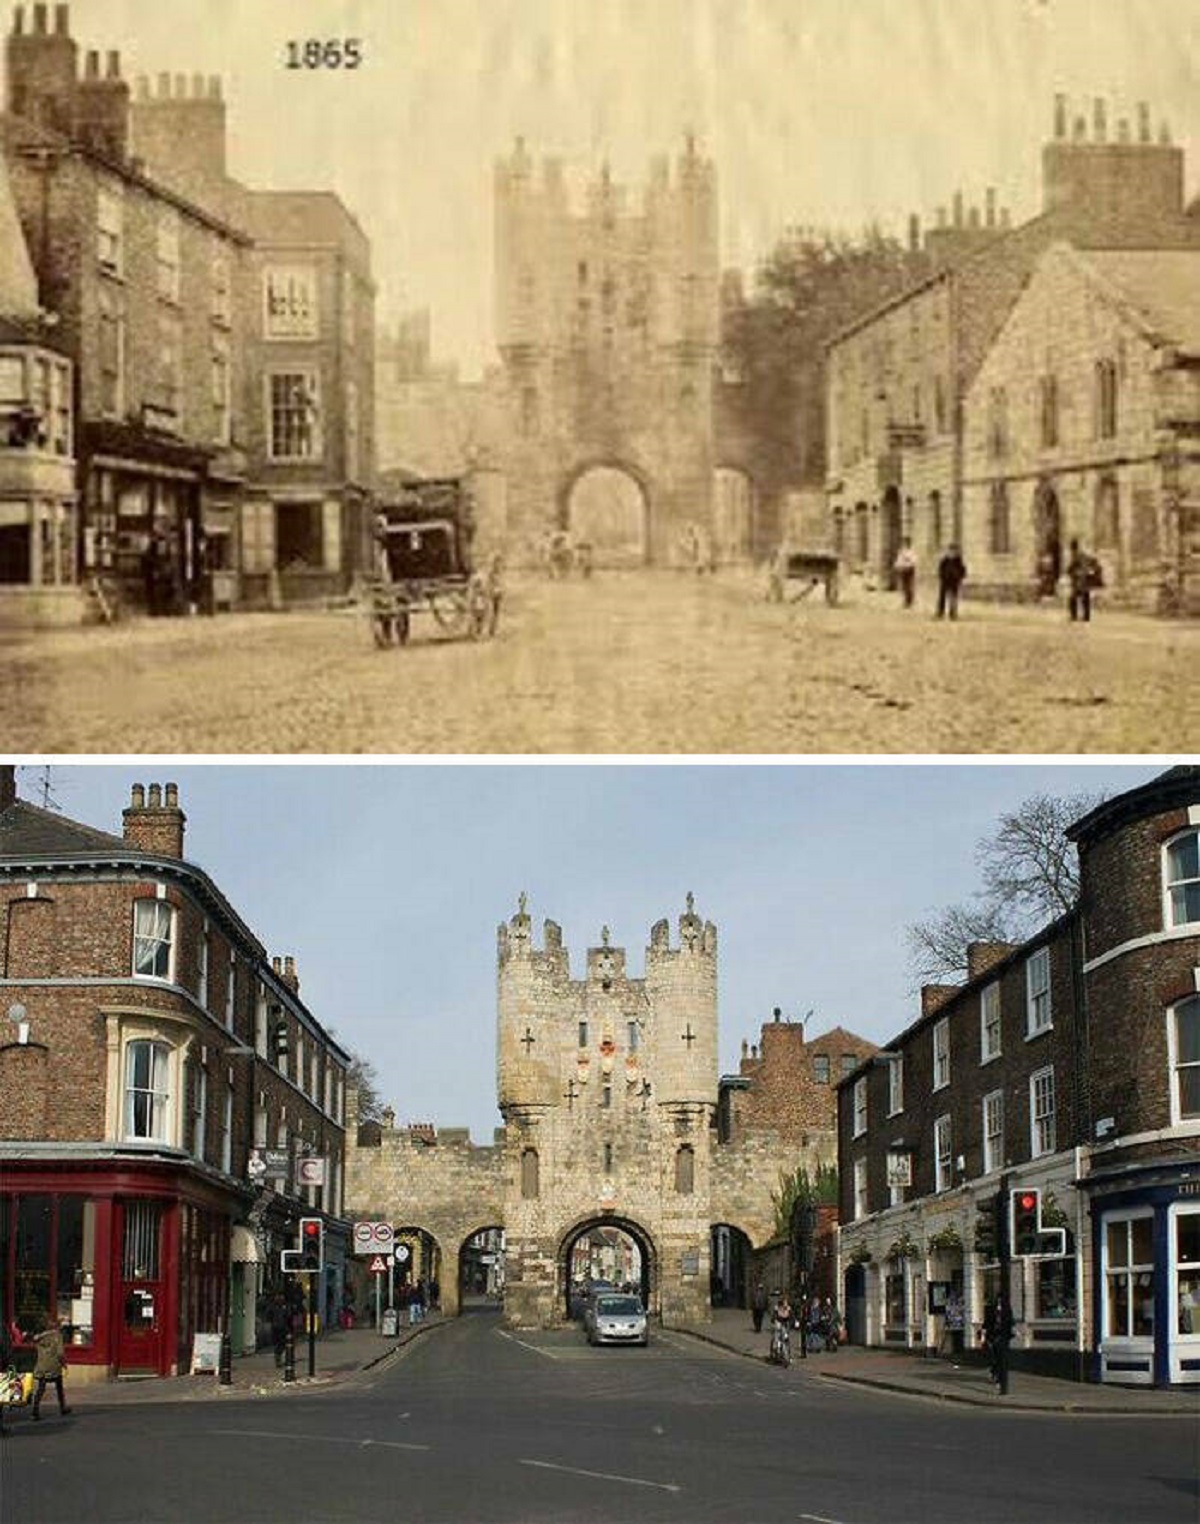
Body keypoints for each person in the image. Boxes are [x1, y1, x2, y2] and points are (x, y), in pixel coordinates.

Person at [31, 1317, 70, 1421]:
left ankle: (35, 1411)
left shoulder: (39, 1337)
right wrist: (64, 1364)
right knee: (59, 1388)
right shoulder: (58, 1336)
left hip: (41, 1366)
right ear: (57, 1327)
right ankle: (63, 1408)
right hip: (54, 1366)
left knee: (40, 1389)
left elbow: (35, 1345)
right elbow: (60, 1353)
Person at [982, 1294, 1015, 1386]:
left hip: (1003, 1337)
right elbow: (986, 1324)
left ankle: (1000, 1379)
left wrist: (1014, 1330)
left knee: (1002, 1358)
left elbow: (1011, 1322)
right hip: (993, 1337)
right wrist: (983, 1337)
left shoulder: (1007, 1311)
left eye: (1001, 1302)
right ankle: (994, 1372)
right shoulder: (991, 1310)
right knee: (995, 1358)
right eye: (998, 1302)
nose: (999, 1304)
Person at [1066, 538, 1099, 622]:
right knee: (1084, 598)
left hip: (1080, 581)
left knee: (1074, 598)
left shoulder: (1077, 556)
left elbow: (1071, 568)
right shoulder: (1084, 556)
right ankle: (1085, 616)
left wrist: (1073, 573)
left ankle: (1076, 616)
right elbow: (1094, 564)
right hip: (1083, 580)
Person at [936, 544, 967, 619]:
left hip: (954, 581)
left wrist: (960, 577)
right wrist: (941, 576)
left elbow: (963, 570)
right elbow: (940, 569)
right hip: (945, 581)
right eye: (950, 551)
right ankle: (940, 612)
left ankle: (953, 613)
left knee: (953, 597)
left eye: (953, 551)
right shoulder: (945, 560)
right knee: (942, 597)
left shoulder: (958, 560)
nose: (952, 553)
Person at [894, 537, 918, 608]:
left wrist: (908, 561)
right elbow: (899, 560)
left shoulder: (911, 551)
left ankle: (909, 601)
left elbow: (914, 561)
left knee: (909, 586)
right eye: (904, 543)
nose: (904, 544)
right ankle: (905, 600)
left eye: (906, 543)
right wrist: (897, 566)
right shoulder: (901, 551)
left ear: (909, 543)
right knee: (904, 586)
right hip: (903, 570)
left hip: (909, 570)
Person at [770, 1293, 793, 1365]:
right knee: (776, 1339)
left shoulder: (789, 1309)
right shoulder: (777, 1308)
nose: (785, 1304)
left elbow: (791, 1317)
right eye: (784, 1302)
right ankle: (774, 1353)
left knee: (786, 1340)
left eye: (786, 1302)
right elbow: (773, 1317)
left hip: (785, 1326)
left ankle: (788, 1356)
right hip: (778, 1325)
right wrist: (774, 1320)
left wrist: (794, 1323)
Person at [269, 1292, 290, 1368]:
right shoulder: (275, 1307)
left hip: (280, 1327)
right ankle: (278, 1359)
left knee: (281, 1344)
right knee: (280, 1344)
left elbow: (288, 1316)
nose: (280, 1299)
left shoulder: (283, 1307)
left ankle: (279, 1359)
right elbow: (269, 1315)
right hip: (278, 1327)